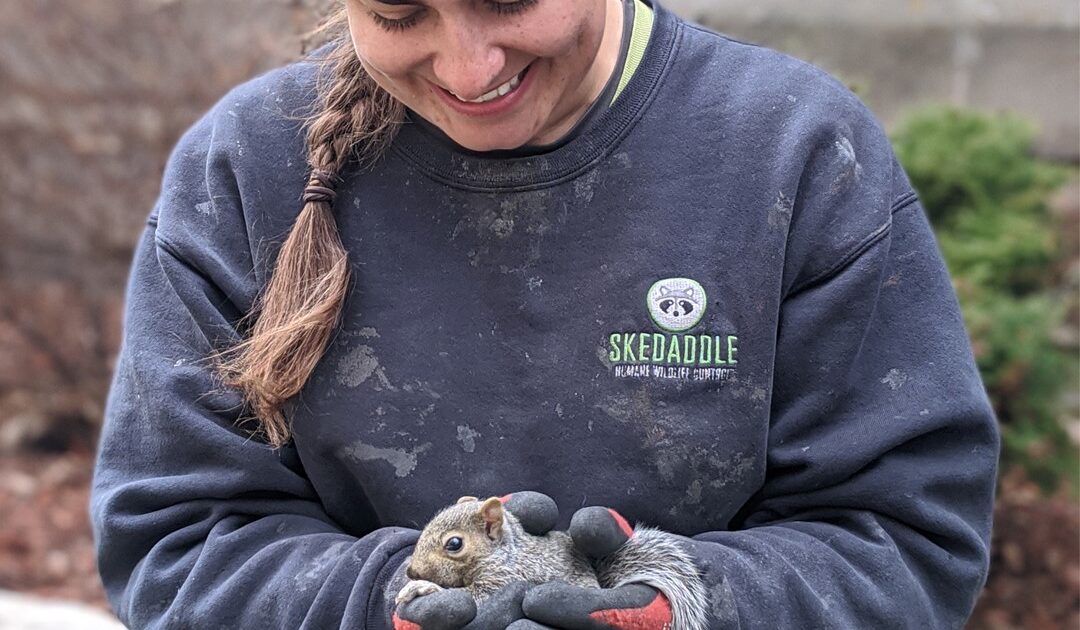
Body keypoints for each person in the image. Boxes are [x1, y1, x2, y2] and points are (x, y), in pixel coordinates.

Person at [89, 0, 999, 628]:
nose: (468, 65)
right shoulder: (245, 172)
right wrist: (393, 605)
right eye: (400, 14)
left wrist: (692, 601)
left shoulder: (793, 152)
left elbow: (905, 542)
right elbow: (176, 539)